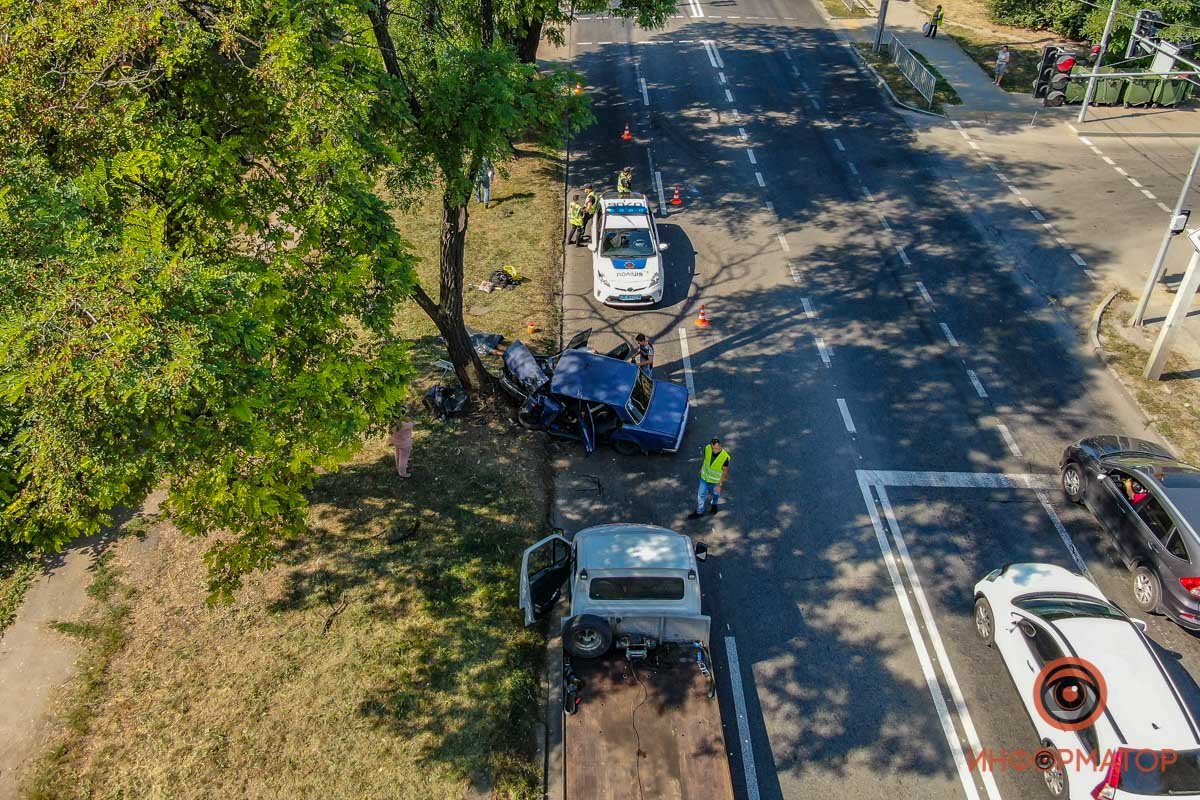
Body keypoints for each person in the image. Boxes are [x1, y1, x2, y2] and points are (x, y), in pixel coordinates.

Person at [688, 438, 730, 519]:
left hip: (715, 482)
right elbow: (705, 459)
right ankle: (699, 511)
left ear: (720, 446)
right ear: (711, 446)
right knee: (701, 495)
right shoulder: (707, 448)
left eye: (717, 448)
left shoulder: (725, 457)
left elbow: (725, 471)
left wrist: (719, 485)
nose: (715, 450)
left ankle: (714, 505)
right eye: (713, 448)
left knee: (715, 494)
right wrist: (701, 468)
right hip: (704, 478)